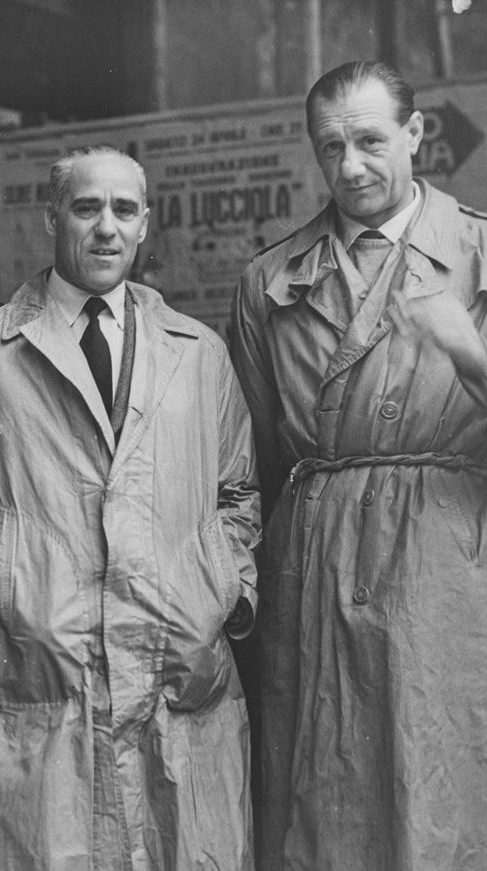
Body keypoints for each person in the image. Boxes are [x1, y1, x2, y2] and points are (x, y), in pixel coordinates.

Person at [0, 145, 261, 870]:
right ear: (52, 218)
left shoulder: (199, 351)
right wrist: (0, 596)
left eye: (123, 209)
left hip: (176, 657)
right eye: (86, 208)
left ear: (145, 224)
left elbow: (237, 492)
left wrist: (219, 591)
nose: (106, 227)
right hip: (37, 662)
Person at [231, 60, 487, 870]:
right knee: (323, 795)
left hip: (449, 563)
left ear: (416, 134)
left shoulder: (481, 253)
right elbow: (257, 458)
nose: (350, 167)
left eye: (371, 142)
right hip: (314, 561)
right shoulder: (269, 279)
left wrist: (471, 356)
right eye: (330, 147)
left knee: (440, 787)